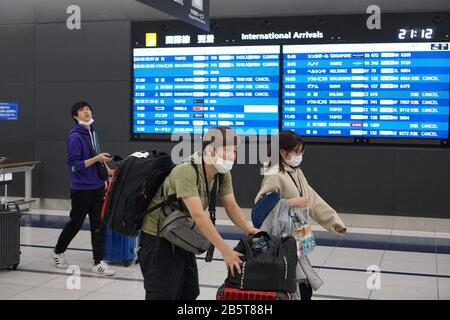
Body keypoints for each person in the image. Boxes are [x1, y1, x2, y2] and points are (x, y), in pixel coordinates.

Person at [139, 126, 259, 300]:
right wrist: (225, 251)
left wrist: (248, 229)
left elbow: (231, 205)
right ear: (210, 150)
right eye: (226, 150)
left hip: (182, 234)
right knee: (163, 294)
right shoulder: (187, 170)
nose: (232, 155)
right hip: (159, 240)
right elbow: (198, 215)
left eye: (234, 150)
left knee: (188, 291)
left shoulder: (221, 173)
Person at [255, 130, 347, 300]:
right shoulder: (274, 174)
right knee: (294, 286)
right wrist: (289, 203)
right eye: (296, 151)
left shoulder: (296, 172)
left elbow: (312, 199)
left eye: (301, 151)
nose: (299, 155)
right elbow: (261, 208)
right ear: (283, 152)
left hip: (298, 236)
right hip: (282, 240)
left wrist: (334, 222)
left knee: (302, 285)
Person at [51, 101, 115, 276]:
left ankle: (98, 262)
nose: (86, 112)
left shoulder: (92, 132)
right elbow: (73, 166)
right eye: (82, 110)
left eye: (88, 109)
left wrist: (107, 170)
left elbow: (96, 157)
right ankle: (58, 251)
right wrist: (96, 159)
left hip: (97, 186)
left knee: (98, 224)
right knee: (76, 223)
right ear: (75, 116)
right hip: (82, 189)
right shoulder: (75, 137)